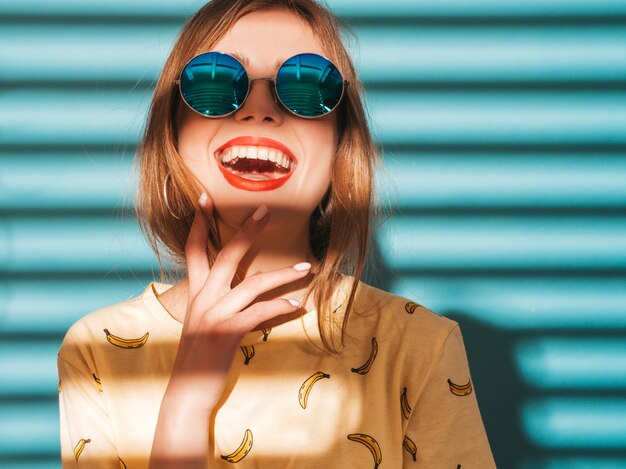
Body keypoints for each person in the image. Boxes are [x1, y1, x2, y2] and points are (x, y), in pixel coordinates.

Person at [57, 0, 497, 467]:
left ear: (341, 142)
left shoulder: (421, 346)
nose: (260, 109)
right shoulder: (97, 351)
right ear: (172, 129)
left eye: (307, 85)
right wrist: (187, 398)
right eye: (214, 80)